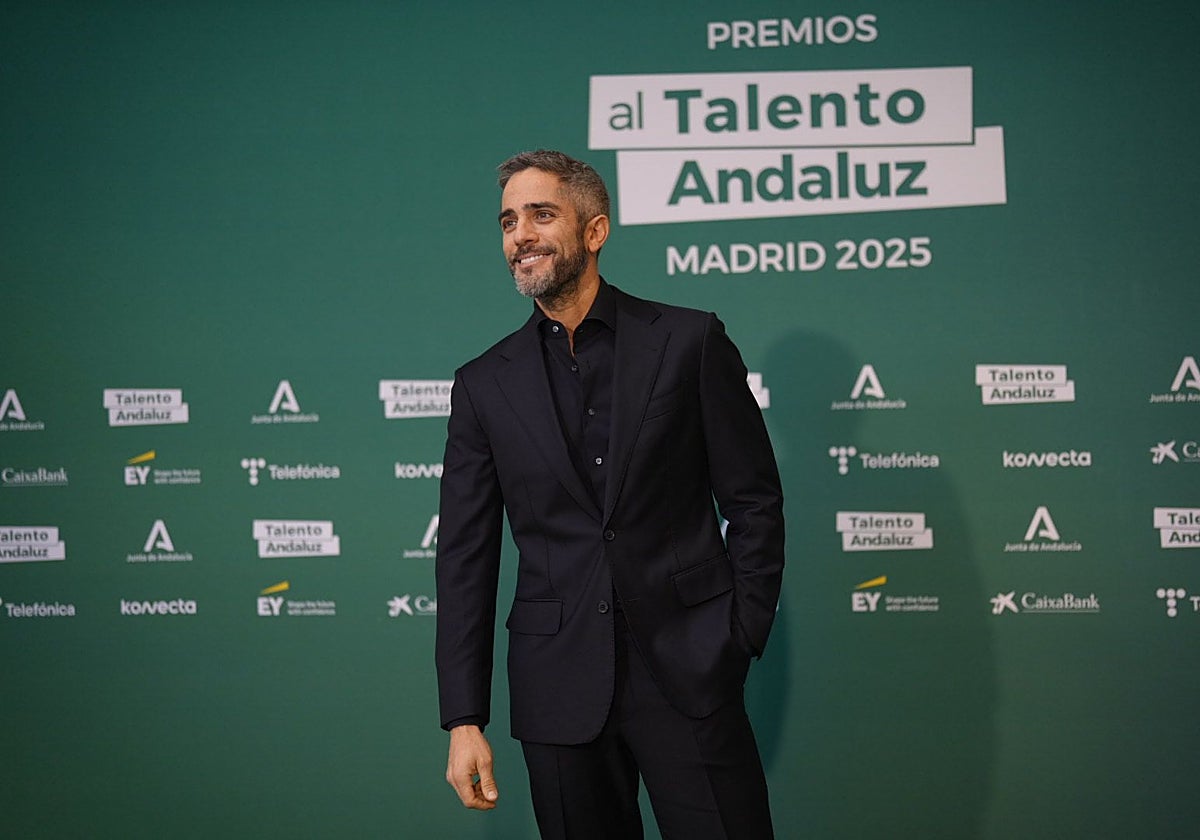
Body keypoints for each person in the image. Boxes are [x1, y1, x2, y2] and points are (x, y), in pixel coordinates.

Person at [435, 149, 785, 840]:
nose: (520, 235)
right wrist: (463, 718)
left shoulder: (689, 341)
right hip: (556, 688)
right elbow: (465, 557)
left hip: (690, 670)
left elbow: (753, 500)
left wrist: (737, 632)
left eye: (542, 214)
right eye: (508, 220)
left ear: (594, 232)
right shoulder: (483, 383)